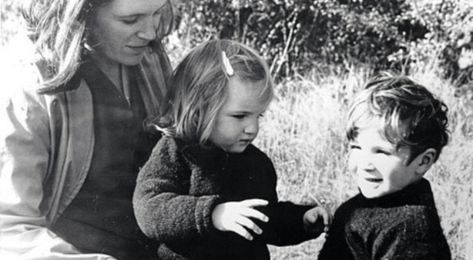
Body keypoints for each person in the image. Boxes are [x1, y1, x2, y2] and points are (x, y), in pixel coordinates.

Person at [0, 0, 174, 259]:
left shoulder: (149, 60)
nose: (151, 33)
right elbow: (9, 227)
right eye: (130, 20)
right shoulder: (26, 84)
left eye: (157, 13)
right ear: (82, 10)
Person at [133, 39, 331, 259]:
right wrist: (212, 214)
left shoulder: (256, 163)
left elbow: (263, 221)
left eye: (259, 115)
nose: (253, 128)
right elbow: (149, 209)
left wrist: (300, 221)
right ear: (200, 109)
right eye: (240, 116)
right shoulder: (176, 152)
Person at [318, 74, 451, 260]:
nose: (365, 164)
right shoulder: (356, 209)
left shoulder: (410, 229)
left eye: (381, 152)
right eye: (356, 147)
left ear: (422, 161)